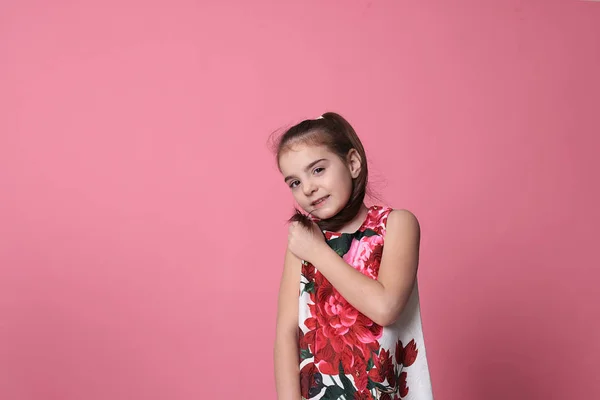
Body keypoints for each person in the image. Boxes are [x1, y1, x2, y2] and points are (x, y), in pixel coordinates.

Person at [273, 112, 434, 400]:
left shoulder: (397, 225)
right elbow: (288, 331)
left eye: (318, 170)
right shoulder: (303, 242)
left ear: (353, 163)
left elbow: (385, 308)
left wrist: (318, 253)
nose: (308, 188)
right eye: (294, 182)